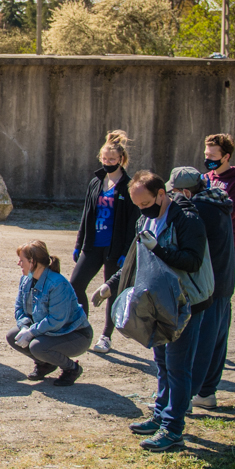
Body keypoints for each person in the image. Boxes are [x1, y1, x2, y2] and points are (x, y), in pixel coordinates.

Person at [92, 170, 209, 452]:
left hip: (186, 303)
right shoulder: (146, 219)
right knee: (163, 364)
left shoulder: (187, 219)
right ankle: (159, 417)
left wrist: (159, 249)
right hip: (160, 302)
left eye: (146, 204)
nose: (143, 210)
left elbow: (192, 261)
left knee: (178, 367)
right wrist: (110, 286)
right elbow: (135, 258)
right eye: (138, 206)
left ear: (161, 194)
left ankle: (173, 429)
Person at [169, 166, 235, 412]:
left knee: (201, 343)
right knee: (216, 340)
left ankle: (186, 398)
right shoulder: (217, 202)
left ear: (186, 192)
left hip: (208, 285)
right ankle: (207, 392)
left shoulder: (198, 210)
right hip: (224, 281)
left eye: (174, 192)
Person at [71, 130, 137, 355]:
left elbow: (132, 222)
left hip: (115, 249)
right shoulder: (96, 182)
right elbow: (86, 214)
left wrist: (127, 251)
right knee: (76, 283)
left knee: (111, 291)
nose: (108, 163)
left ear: (121, 160)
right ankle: (83, 328)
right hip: (93, 245)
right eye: (105, 159)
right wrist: (79, 243)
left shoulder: (128, 186)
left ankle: (106, 336)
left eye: (112, 160)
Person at [197, 133, 235, 408]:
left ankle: (207, 388)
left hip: (226, 250)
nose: (208, 159)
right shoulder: (205, 178)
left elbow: (223, 211)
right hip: (204, 249)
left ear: (226, 156)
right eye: (206, 154)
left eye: (213, 155)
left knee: (217, 310)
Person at [7, 240, 92, 386]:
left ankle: (72, 369)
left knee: (37, 346)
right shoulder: (26, 279)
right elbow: (19, 307)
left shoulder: (57, 283)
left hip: (75, 335)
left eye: (22, 260)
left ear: (33, 262)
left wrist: (32, 332)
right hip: (49, 332)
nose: (19, 264)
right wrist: (25, 327)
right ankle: (45, 364)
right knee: (12, 336)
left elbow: (57, 320)